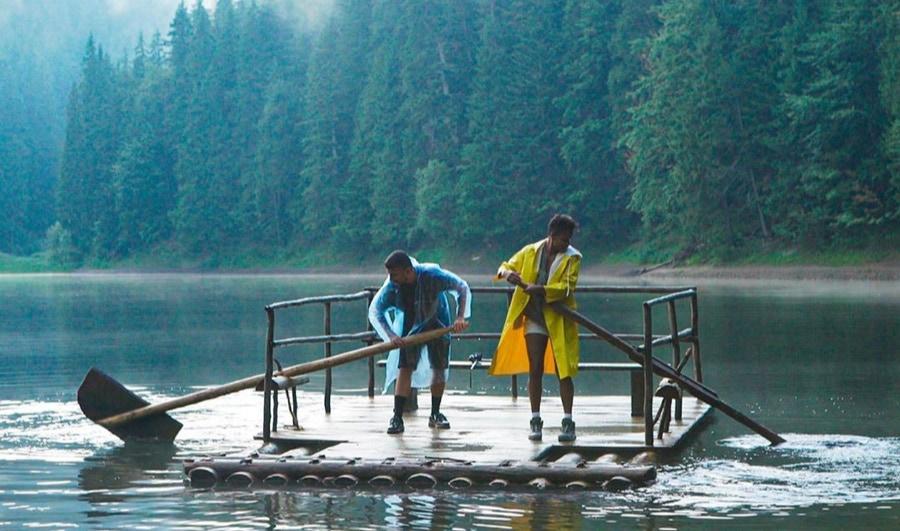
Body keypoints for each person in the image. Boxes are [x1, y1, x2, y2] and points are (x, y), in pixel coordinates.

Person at [489, 214, 581, 442]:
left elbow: (566, 288)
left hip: (558, 317)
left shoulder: (573, 257)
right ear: (552, 236)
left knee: (564, 369)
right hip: (533, 315)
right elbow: (504, 266)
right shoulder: (531, 251)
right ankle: (535, 419)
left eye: (568, 240)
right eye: (563, 240)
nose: (566, 244)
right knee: (535, 367)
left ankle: (568, 421)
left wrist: (539, 289)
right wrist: (509, 274)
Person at [369, 251, 471, 435]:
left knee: (439, 367)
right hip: (411, 328)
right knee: (405, 367)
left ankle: (435, 413)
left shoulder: (432, 276)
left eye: (395, 275)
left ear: (408, 271)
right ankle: (397, 417)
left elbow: (461, 287)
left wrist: (460, 317)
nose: (391, 279)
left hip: (438, 322)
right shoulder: (392, 288)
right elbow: (376, 311)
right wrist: (391, 335)